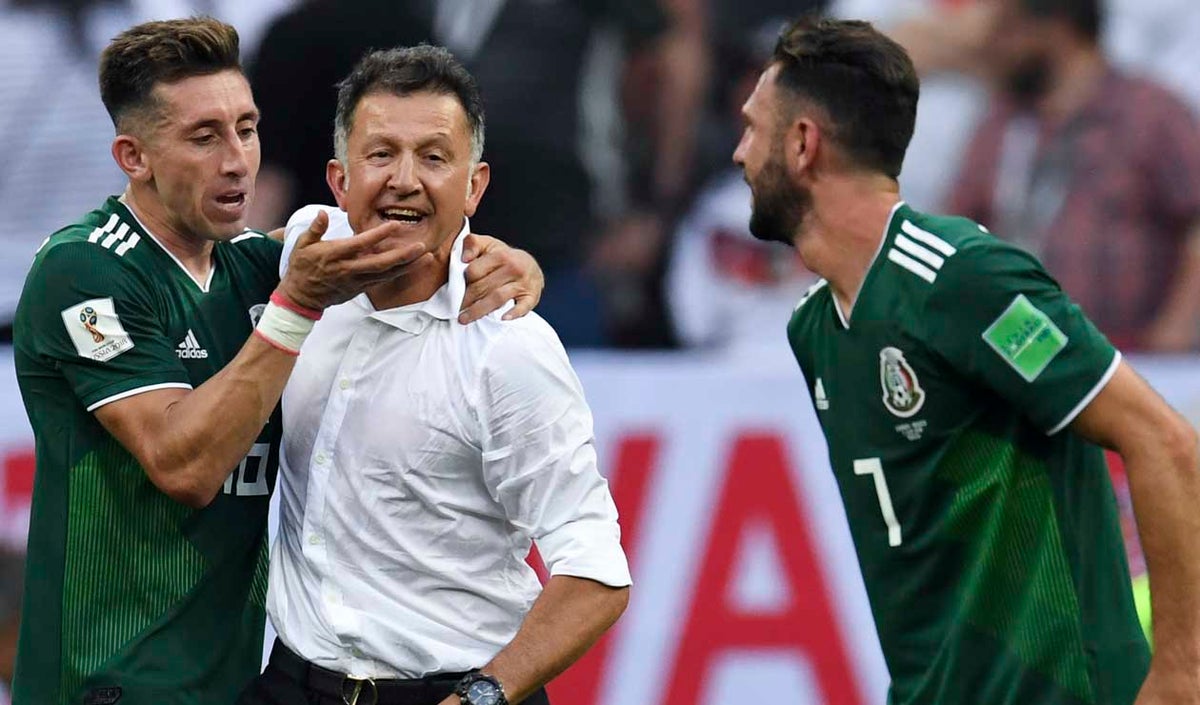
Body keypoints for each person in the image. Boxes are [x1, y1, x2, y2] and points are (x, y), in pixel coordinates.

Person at [12, 18, 544, 705]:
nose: (237, 160)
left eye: (247, 128)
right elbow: (186, 466)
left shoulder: (258, 267)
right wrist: (295, 307)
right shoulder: (83, 269)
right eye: (204, 138)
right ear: (133, 155)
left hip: (234, 687)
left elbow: (407, 231)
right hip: (101, 685)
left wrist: (501, 258)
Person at [734, 15, 1200, 705]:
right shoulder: (815, 330)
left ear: (803, 144)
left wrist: (1181, 675)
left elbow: (1164, 440)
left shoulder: (963, 280)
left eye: (752, 128)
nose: (739, 153)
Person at [237, 45, 632, 705]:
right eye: (381, 153)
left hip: (449, 691)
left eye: (434, 156)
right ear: (339, 181)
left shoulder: (510, 345)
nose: (404, 179)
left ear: (475, 185)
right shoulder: (306, 256)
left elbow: (597, 573)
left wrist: (479, 697)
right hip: (293, 680)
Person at [946, 0, 1200, 351]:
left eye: (1006, 29)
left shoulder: (1150, 113)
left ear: (1056, 27)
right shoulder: (1001, 122)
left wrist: (1177, 326)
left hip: (1134, 361)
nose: (992, 44)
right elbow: (955, 231)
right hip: (1025, 356)